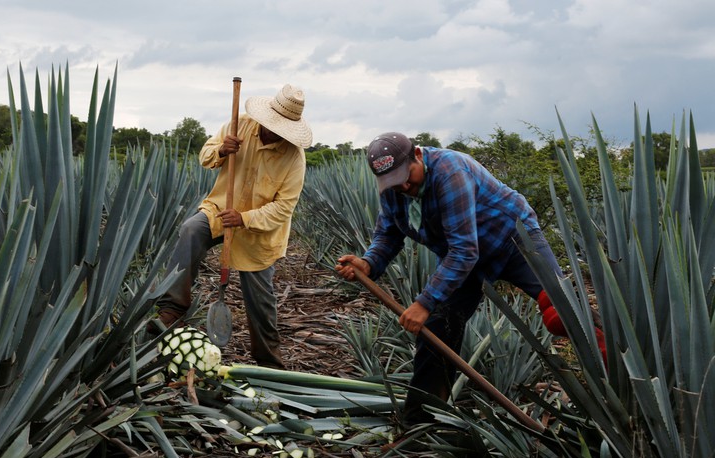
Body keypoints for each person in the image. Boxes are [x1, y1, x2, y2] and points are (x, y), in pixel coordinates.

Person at [335, 132, 606, 427]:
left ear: (417, 155)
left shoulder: (450, 171)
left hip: (512, 239)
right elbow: (389, 233)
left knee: (562, 310)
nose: (403, 185)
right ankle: (423, 421)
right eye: (392, 181)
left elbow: (465, 250)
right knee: (437, 328)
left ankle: (621, 376)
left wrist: (424, 302)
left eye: (406, 175)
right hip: (466, 258)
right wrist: (369, 262)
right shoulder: (394, 188)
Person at [151, 83, 312, 370]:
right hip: (220, 210)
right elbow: (205, 156)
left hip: (258, 232)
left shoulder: (294, 159)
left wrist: (245, 218)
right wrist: (223, 150)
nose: (272, 130)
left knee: (260, 301)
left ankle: (269, 363)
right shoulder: (239, 126)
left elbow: (283, 209)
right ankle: (173, 310)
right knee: (192, 230)